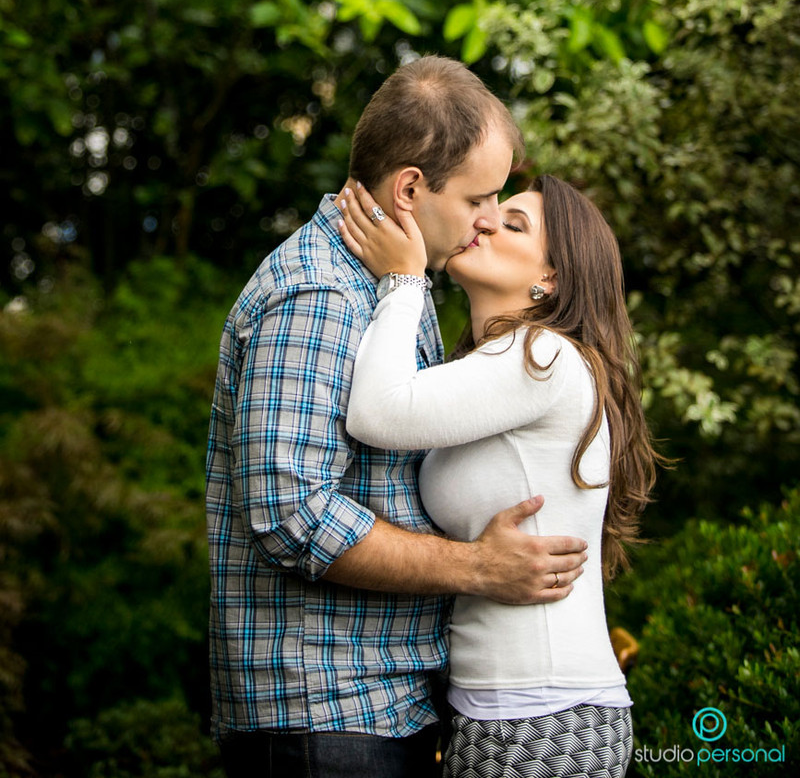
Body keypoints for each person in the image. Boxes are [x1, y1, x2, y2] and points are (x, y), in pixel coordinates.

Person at [206, 57, 590, 778]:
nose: (487, 219)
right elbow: (291, 513)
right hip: (325, 712)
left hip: (378, 706)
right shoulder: (320, 294)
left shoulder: (384, 286)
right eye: (479, 197)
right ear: (410, 188)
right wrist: (478, 567)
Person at [338, 173, 662, 778]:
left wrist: (404, 281)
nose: (485, 221)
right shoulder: (496, 365)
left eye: (514, 224)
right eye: (488, 209)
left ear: (552, 278)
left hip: (546, 716)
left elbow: (377, 412)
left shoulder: (543, 356)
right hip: (494, 711)